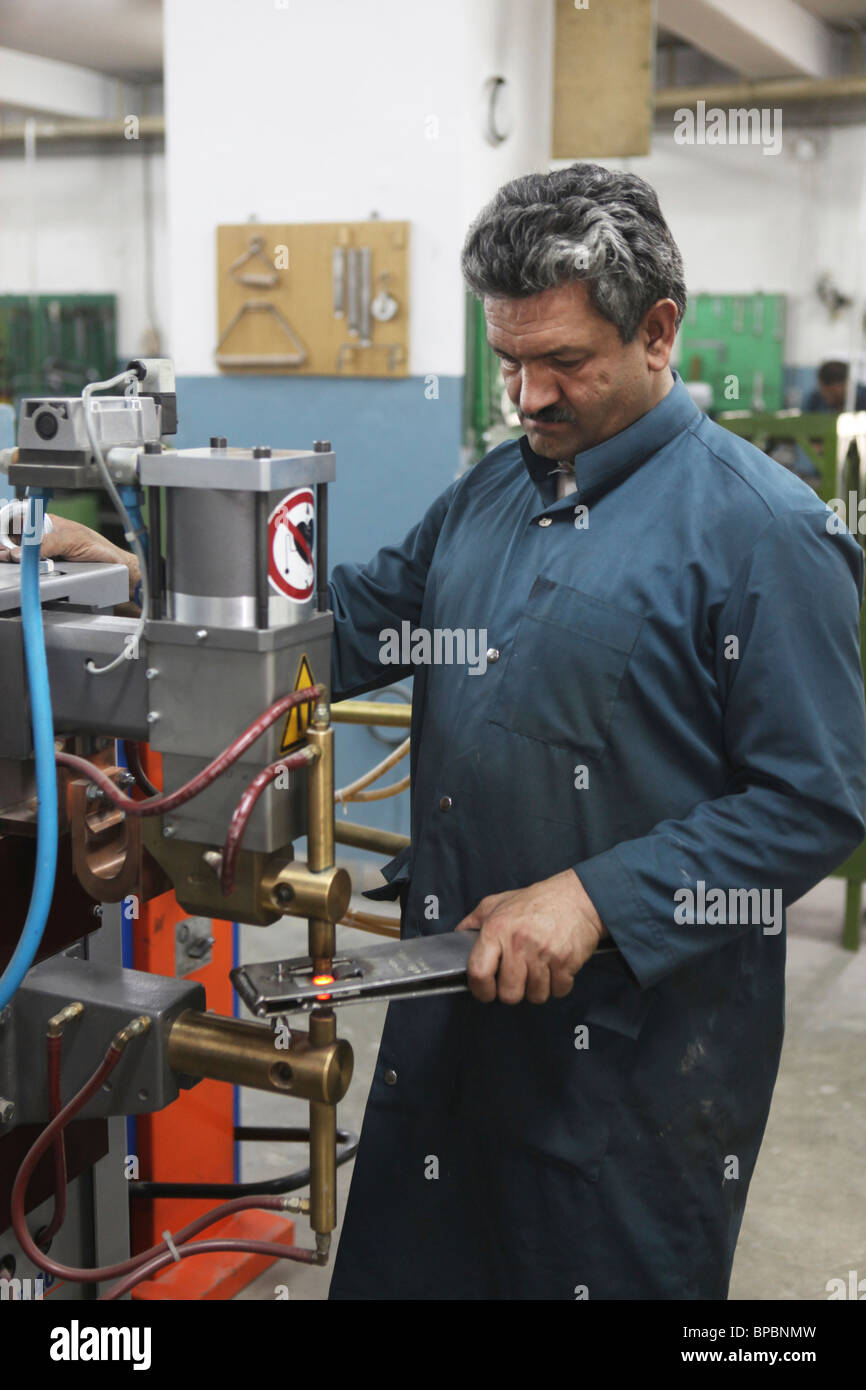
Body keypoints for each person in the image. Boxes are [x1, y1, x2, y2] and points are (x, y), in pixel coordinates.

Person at [5, 163, 865, 1300]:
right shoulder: (497, 491)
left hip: (626, 1080)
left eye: (563, 361)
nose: (530, 397)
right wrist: (151, 584)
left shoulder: (762, 535)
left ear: (657, 331)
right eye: (509, 361)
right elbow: (354, 621)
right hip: (446, 1034)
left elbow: (812, 799)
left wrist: (595, 897)